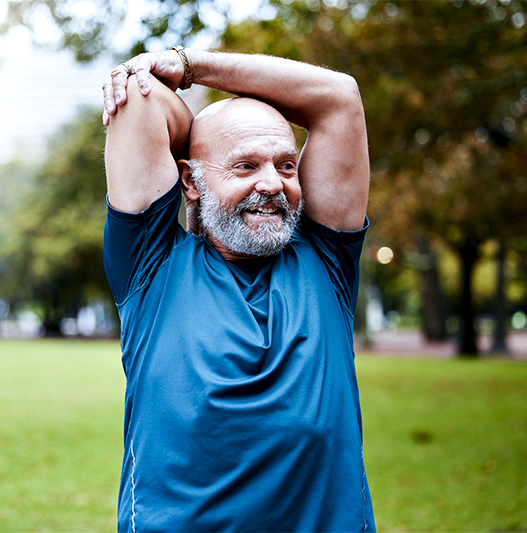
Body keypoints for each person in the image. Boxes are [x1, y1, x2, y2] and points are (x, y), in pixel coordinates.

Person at [101, 47, 375, 533]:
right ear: (189, 180)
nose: (273, 183)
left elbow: (339, 97)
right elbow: (141, 103)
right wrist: (201, 143)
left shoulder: (326, 259)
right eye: (245, 166)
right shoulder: (152, 268)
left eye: (287, 165)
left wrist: (191, 67)